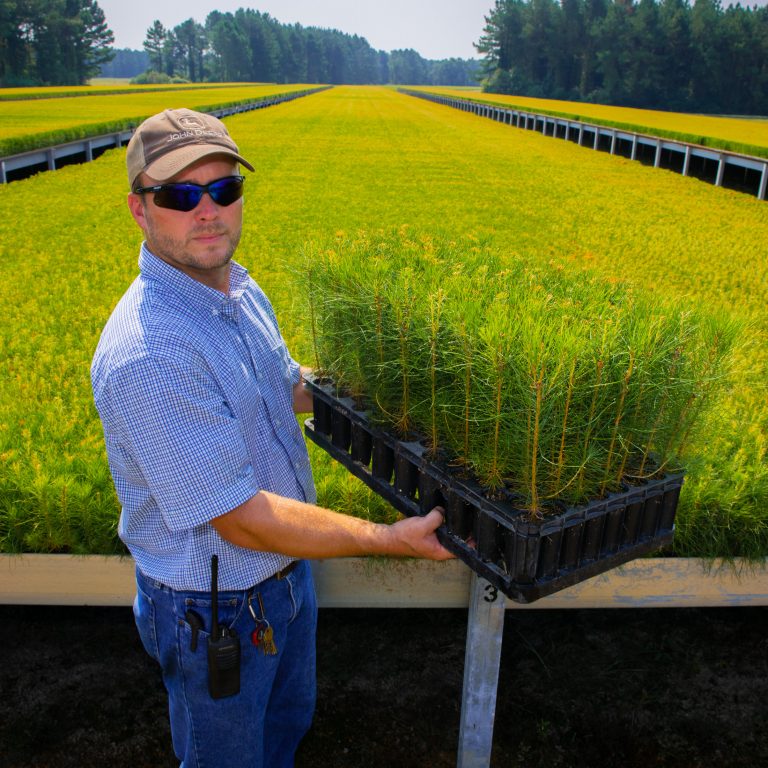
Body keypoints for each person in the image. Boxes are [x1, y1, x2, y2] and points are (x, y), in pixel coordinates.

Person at [90, 108, 453, 768]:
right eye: (179, 195)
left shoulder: (237, 290)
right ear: (139, 210)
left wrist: (384, 385)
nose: (208, 211)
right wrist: (383, 540)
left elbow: (284, 384)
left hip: (286, 582)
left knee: (285, 736)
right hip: (215, 611)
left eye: (224, 190)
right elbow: (242, 520)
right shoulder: (152, 354)